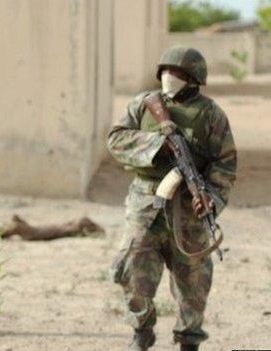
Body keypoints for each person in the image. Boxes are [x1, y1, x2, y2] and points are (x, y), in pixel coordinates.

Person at [107, 46, 237, 351]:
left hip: (190, 213)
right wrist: (157, 144)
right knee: (132, 271)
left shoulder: (212, 115)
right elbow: (115, 140)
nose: (169, 77)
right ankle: (142, 330)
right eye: (166, 71)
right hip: (146, 205)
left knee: (193, 283)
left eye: (177, 73)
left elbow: (225, 164)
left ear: (193, 78)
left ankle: (189, 339)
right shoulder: (144, 104)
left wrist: (211, 199)